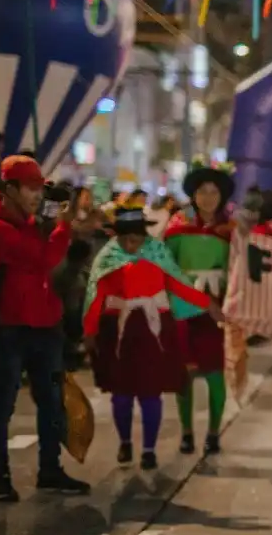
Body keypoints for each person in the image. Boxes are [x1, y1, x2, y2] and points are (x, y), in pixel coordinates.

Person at [0, 155, 89, 500]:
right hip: (9, 326)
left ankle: (50, 470)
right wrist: (64, 225)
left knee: (52, 401)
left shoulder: (31, 222)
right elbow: (44, 258)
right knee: (3, 403)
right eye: (30, 188)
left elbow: (43, 242)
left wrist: (55, 214)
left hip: (45, 324)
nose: (37, 195)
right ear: (9, 189)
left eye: (40, 189)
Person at [84, 207, 215, 470]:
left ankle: (148, 450)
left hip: (153, 332)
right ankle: (124, 442)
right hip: (118, 333)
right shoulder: (108, 258)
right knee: (121, 395)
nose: (131, 244)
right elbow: (96, 295)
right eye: (125, 238)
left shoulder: (158, 254)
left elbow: (179, 285)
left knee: (150, 393)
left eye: (136, 238)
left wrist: (209, 305)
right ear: (117, 237)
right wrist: (90, 330)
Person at [163, 163, 236, 455]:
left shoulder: (230, 232)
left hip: (217, 311)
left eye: (213, 192)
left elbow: (239, 271)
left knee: (216, 376)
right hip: (182, 310)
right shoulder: (176, 229)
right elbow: (167, 270)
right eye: (202, 192)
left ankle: (214, 433)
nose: (208, 198)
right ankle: (187, 433)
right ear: (193, 195)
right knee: (185, 375)